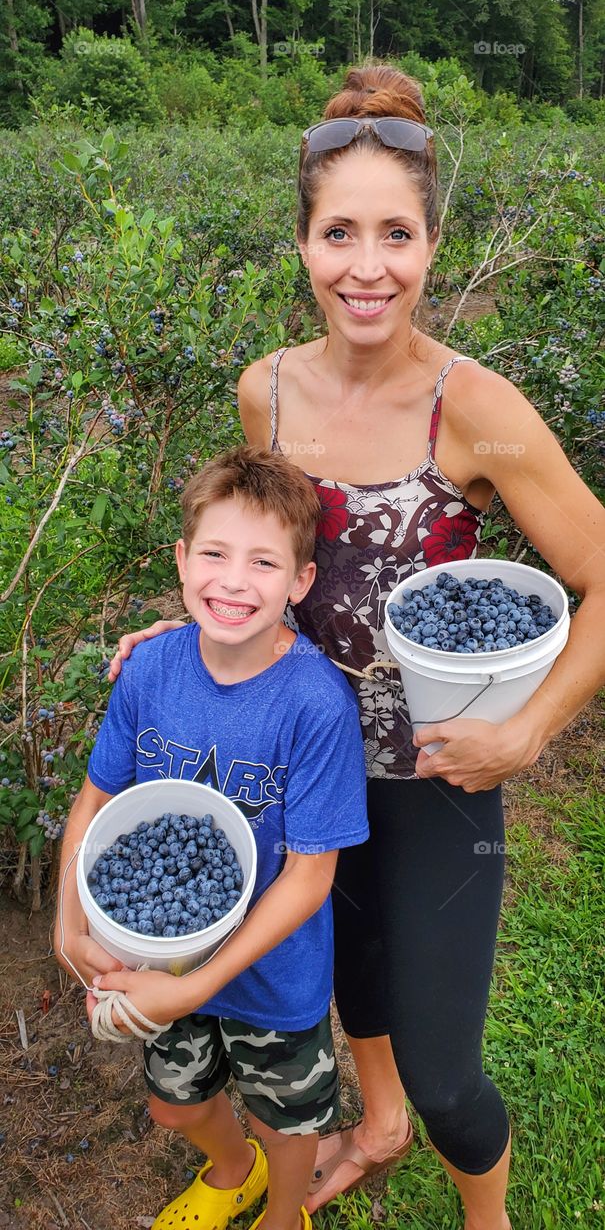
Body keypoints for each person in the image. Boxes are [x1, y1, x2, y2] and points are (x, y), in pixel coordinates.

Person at [108, 64, 605, 1230]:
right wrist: (192, 628)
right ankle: (369, 1118)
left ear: (433, 242)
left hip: (436, 774)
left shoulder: (473, 408)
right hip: (303, 771)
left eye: (395, 232)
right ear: (301, 242)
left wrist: (527, 730)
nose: (365, 266)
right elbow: (267, 559)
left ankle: (480, 1211)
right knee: (347, 981)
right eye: (339, 231)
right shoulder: (263, 394)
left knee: (447, 1076)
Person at [54, 444, 370, 1230]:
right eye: (215, 554)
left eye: (264, 562)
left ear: (299, 583)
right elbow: (95, 802)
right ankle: (233, 1170)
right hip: (155, 954)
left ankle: (282, 1211)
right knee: (176, 1109)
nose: (233, 582)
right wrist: (68, 919)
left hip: (273, 977)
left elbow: (306, 876)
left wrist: (196, 985)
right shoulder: (150, 671)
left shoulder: (314, 705)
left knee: (287, 1120)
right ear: (182, 558)